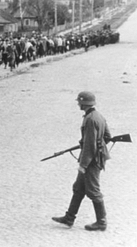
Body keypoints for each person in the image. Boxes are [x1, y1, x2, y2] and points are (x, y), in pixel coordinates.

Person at [52, 91, 111, 231]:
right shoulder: (98, 116)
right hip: (95, 157)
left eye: (79, 101)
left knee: (93, 191)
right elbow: (108, 136)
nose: (78, 103)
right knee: (79, 188)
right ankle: (69, 218)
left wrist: (83, 165)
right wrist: (97, 144)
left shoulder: (90, 119)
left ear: (84, 103)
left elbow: (90, 145)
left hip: (92, 161)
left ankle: (101, 222)